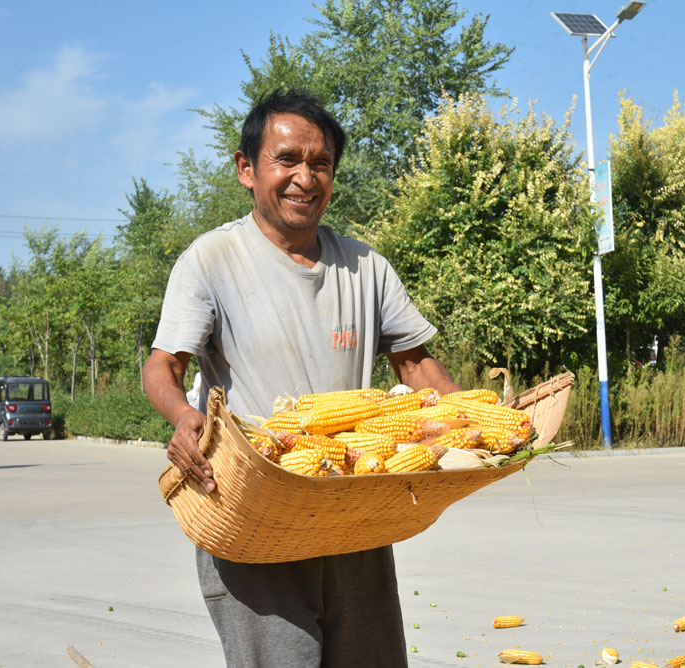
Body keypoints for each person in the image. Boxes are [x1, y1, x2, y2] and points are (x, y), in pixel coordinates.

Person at [142, 89, 462, 668]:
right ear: (246, 168)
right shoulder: (212, 260)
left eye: (321, 164)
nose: (305, 178)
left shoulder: (366, 267)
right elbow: (164, 365)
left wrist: (475, 420)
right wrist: (183, 416)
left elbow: (414, 366)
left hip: (352, 513)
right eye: (286, 160)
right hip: (254, 519)